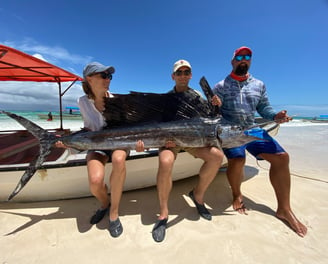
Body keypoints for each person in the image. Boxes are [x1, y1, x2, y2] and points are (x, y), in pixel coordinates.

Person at [211, 46, 307, 237]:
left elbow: (264, 109)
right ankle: (237, 194)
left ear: (250, 61)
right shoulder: (220, 86)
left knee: (282, 157)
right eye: (239, 57)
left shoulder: (259, 84)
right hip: (230, 131)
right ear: (233, 61)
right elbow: (212, 115)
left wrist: (276, 116)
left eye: (247, 57)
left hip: (253, 129)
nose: (243, 60)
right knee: (238, 160)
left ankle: (284, 209)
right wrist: (215, 107)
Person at [58, 62, 144, 238]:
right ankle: (105, 204)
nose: (108, 80)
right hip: (97, 145)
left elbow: (130, 128)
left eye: (109, 76)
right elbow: (89, 130)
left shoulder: (117, 102)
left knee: (119, 160)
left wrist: (138, 144)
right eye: (103, 76)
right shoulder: (81, 102)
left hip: (119, 144)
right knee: (96, 182)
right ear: (89, 79)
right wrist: (70, 142)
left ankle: (114, 212)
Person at [151, 59, 224, 242]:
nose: (183, 76)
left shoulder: (198, 96)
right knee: (165, 161)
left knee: (217, 156)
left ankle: (197, 196)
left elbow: (212, 120)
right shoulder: (166, 99)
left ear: (190, 75)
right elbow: (158, 124)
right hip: (171, 140)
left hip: (192, 140)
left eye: (186, 72)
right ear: (173, 76)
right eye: (179, 72)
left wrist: (217, 106)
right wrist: (164, 140)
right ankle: (163, 214)